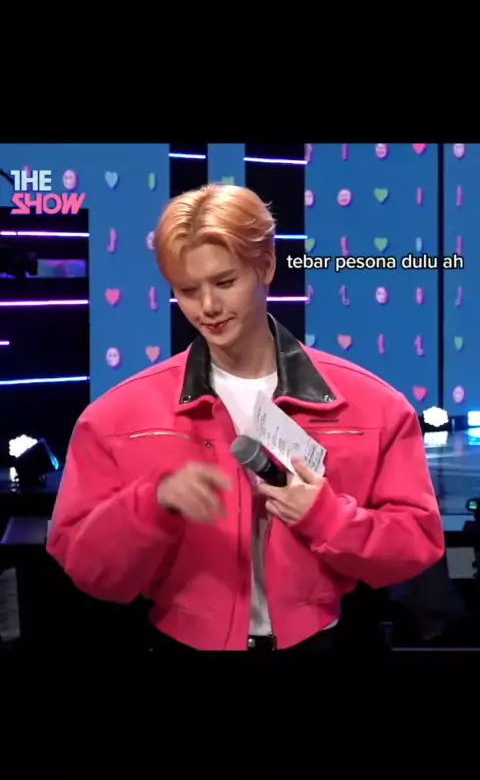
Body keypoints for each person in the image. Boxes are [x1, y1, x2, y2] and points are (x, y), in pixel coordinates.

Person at [47, 184, 445, 652]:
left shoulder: (371, 405)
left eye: (224, 282)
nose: (208, 307)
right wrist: (152, 505)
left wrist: (327, 518)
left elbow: (415, 546)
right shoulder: (115, 418)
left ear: (267, 266)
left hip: (327, 645)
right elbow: (85, 568)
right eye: (188, 290)